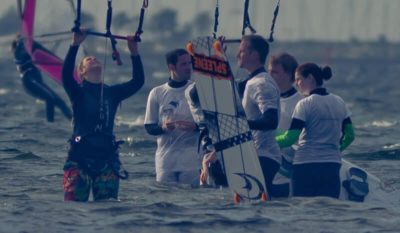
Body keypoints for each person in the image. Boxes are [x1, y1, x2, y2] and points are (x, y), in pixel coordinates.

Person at [62, 30, 145, 201]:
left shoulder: (112, 93)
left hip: (106, 159)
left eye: (96, 58)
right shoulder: (77, 92)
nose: (93, 59)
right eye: (88, 60)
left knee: (108, 207)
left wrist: (134, 51)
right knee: (74, 207)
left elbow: (138, 81)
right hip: (79, 158)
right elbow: (65, 76)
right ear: (82, 72)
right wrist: (75, 44)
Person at [276, 63, 355, 198]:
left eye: (299, 79)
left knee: (303, 210)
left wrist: (267, 141)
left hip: (305, 167)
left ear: (310, 78)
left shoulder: (304, 104)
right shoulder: (339, 102)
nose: (296, 84)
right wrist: (336, 149)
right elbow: (350, 135)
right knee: (328, 210)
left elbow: (290, 138)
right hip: (332, 166)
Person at [144, 48, 201, 187]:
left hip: (192, 160)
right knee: (166, 201)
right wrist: (163, 127)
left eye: (189, 63)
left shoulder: (197, 90)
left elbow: (211, 123)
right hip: (165, 161)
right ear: (171, 67)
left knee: (192, 202)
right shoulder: (157, 92)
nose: (188, 67)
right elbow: (149, 127)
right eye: (183, 64)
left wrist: (195, 127)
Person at [236, 35, 281, 196]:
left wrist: (240, 124)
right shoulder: (251, 81)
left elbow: (271, 121)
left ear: (254, 55)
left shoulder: (262, 84)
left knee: (255, 205)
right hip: (253, 154)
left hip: (264, 156)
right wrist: (218, 57)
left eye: (241, 51)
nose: (237, 55)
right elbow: (230, 86)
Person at [12, 35, 72, 122]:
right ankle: (50, 124)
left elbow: (45, 56)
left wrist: (57, 43)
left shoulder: (30, 53)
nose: (23, 45)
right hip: (29, 82)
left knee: (59, 101)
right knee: (50, 99)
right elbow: (20, 48)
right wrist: (23, 39)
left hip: (38, 82)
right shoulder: (18, 54)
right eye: (21, 43)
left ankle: (73, 120)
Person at [268, 52, 303, 196]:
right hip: (264, 164)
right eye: (269, 72)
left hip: (286, 173)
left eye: (275, 72)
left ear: (289, 74)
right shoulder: (264, 98)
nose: (269, 76)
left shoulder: (300, 102)